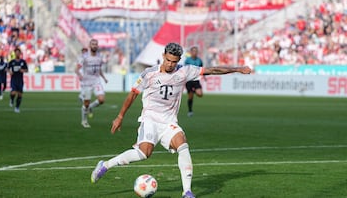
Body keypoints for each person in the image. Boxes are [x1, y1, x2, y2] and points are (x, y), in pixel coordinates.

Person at [90, 42, 251, 198]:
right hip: (150, 119)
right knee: (144, 153)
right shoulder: (149, 74)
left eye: (174, 61)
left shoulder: (184, 71)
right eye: (167, 60)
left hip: (169, 122)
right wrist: (120, 116)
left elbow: (212, 70)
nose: (170, 64)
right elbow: (133, 94)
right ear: (163, 56)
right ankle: (105, 165)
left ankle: (187, 192)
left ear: (178, 60)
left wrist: (237, 69)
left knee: (183, 145)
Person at [75, 39, 108, 128]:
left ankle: (90, 107)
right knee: (86, 103)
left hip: (96, 81)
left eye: (96, 44)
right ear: (90, 46)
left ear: (97, 46)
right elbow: (76, 68)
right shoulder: (84, 57)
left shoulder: (99, 57)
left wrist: (104, 78)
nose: (94, 46)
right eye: (93, 44)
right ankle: (84, 121)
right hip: (87, 82)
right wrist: (80, 75)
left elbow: (99, 69)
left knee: (101, 100)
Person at [184, 46, 206, 117]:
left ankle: (193, 91)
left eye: (196, 51)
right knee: (190, 97)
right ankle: (190, 111)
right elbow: (184, 70)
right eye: (193, 51)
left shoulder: (199, 60)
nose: (195, 53)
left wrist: (204, 76)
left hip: (196, 80)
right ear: (191, 52)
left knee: (200, 94)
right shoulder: (187, 60)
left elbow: (202, 69)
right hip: (189, 80)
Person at [8, 48, 28, 113]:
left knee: (20, 94)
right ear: (15, 53)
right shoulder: (12, 62)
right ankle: (11, 99)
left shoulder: (23, 62)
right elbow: (7, 68)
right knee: (13, 92)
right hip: (14, 79)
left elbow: (26, 70)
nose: (17, 54)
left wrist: (23, 70)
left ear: (20, 54)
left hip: (20, 80)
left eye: (18, 53)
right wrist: (10, 71)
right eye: (16, 52)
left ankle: (17, 107)